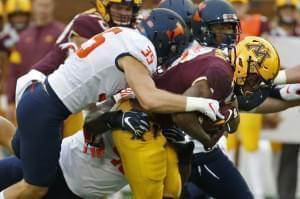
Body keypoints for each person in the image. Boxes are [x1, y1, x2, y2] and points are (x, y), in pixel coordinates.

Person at [1, 8, 222, 199]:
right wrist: (198, 103)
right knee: (34, 188)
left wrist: (184, 149)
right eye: (172, 49)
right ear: (163, 41)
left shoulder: (125, 37)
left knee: (17, 147)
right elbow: (149, 98)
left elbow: (173, 189)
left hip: (44, 105)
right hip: (49, 113)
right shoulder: (138, 52)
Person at [5, 0, 64, 125]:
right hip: (24, 98)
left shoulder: (61, 33)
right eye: (40, 5)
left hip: (51, 98)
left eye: (47, 6)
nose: (43, 10)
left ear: (52, 7)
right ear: (33, 7)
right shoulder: (23, 36)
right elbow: (13, 70)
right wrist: (10, 100)